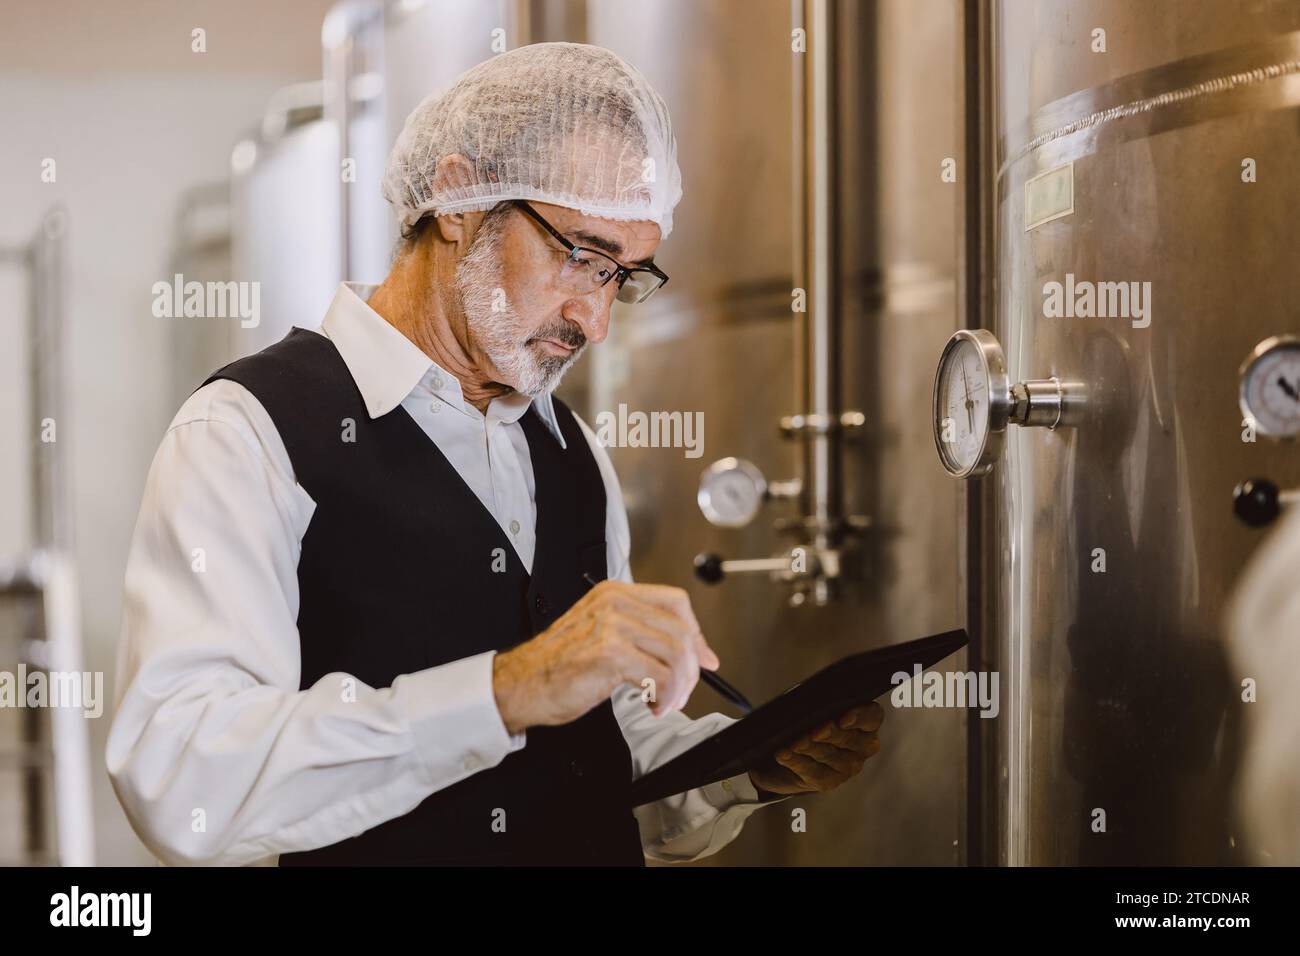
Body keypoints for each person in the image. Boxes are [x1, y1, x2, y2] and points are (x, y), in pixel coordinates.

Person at [107, 41, 881, 867]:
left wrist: (741, 769)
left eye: (621, 275)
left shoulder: (572, 451)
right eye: (580, 255)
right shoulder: (247, 431)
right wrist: (507, 691)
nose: (595, 320)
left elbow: (597, 762)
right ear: (456, 198)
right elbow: (182, 781)